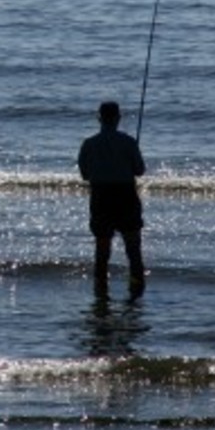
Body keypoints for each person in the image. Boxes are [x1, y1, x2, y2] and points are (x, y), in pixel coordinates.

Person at [78, 101, 146, 299]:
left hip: (101, 196)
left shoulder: (89, 144)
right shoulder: (128, 142)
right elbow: (140, 171)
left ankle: (101, 290)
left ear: (99, 118)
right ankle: (136, 287)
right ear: (118, 118)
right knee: (133, 248)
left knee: (102, 249)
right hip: (125, 195)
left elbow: (84, 174)